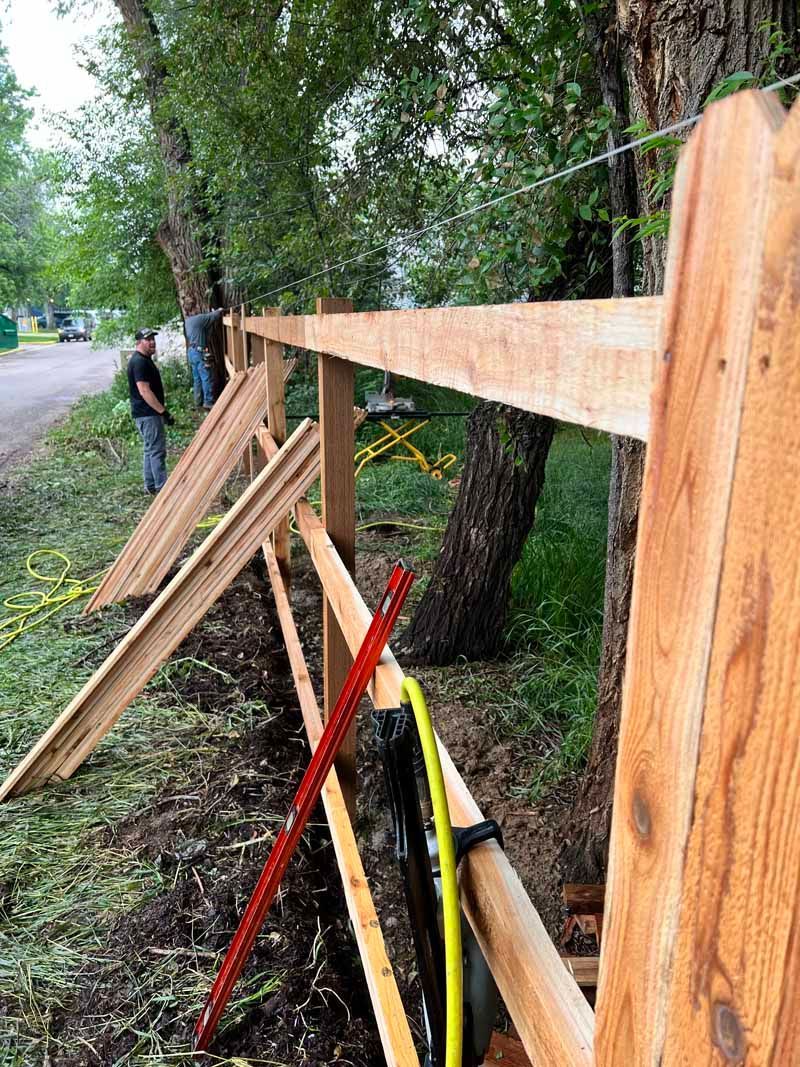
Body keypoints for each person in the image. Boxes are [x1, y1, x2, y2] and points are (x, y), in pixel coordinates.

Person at [127, 327, 174, 495]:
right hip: (148, 414)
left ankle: (151, 486)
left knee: (149, 449)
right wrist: (163, 412)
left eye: (153, 339)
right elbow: (144, 391)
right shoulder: (139, 362)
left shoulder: (143, 359)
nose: (152, 342)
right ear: (139, 342)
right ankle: (163, 489)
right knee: (156, 451)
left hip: (145, 414)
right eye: (148, 340)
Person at [184, 308, 223, 409]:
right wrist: (219, 310)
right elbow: (213, 316)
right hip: (199, 352)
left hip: (192, 352)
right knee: (206, 377)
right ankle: (208, 402)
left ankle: (198, 402)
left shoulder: (188, 321)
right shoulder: (199, 319)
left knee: (197, 379)